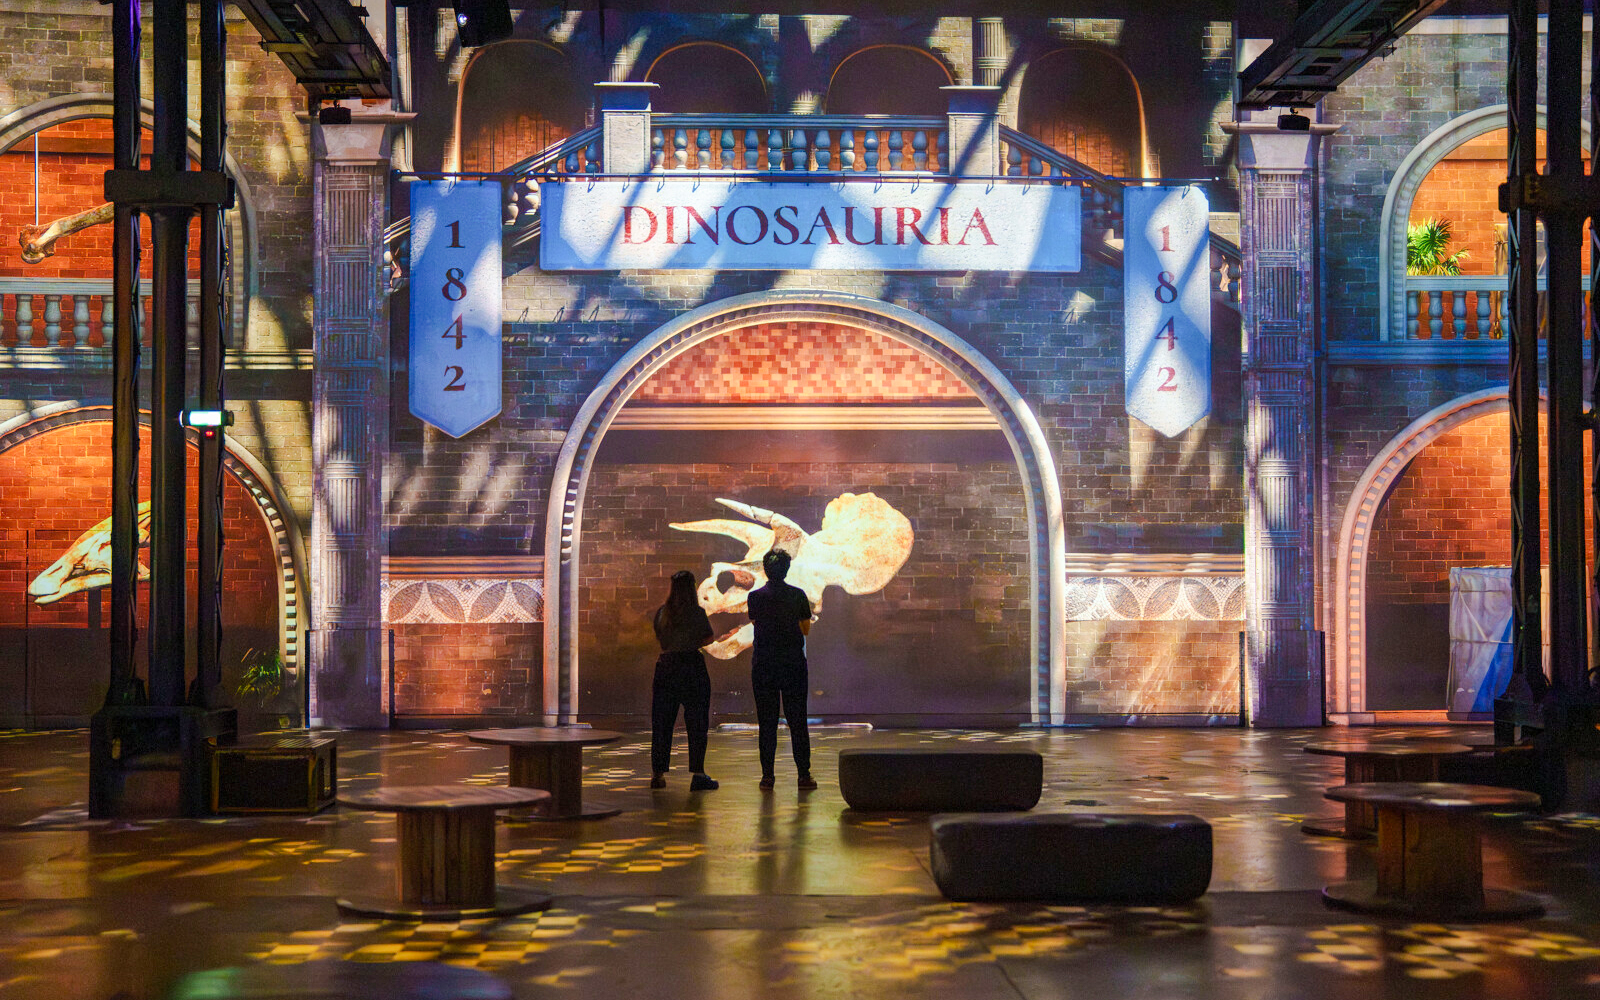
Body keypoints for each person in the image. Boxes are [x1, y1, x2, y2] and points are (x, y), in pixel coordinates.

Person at [747, 549, 816, 791]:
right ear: (787, 569)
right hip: (793, 664)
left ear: (766, 569)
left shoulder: (755, 598)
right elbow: (805, 629)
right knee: (798, 720)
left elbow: (756, 622)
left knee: (766, 722)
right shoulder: (798, 596)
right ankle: (803, 775)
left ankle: (768, 776)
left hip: (764, 664)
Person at [651, 570, 718, 791]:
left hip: (666, 667)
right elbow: (708, 637)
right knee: (697, 723)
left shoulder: (662, 613)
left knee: (662, 724)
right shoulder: (697, 613)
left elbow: (661, 641)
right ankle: (698, 774)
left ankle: (658, 775)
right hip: (692, 667)